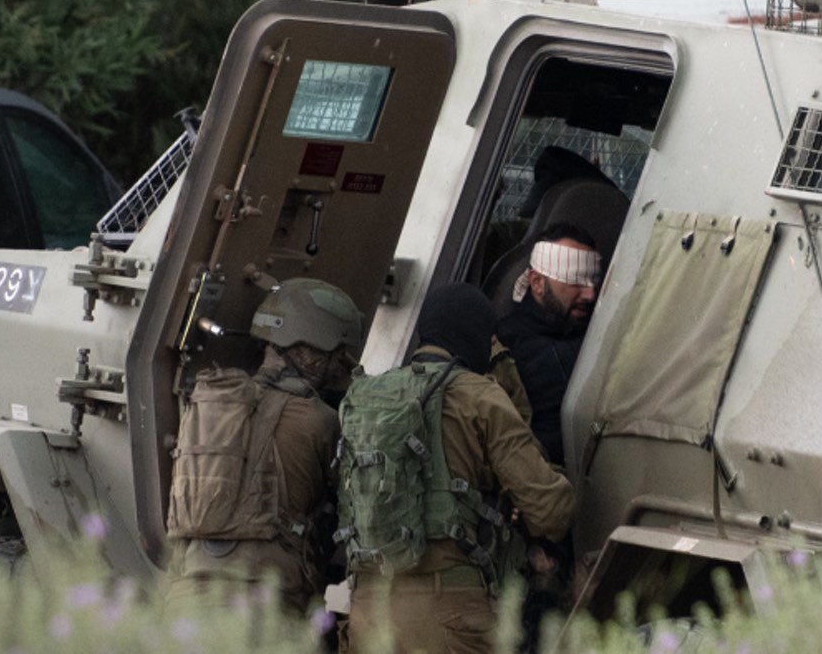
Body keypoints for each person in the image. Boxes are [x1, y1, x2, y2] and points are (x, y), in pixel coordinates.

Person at [344, 283, 575, 654]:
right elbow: (551, 512)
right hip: (450, 609)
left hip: (369, 607)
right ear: (476, 334)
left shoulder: (367, 396)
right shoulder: (482, 397)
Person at [164, 277, 363, 618]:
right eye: (336, 355)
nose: (337, 367)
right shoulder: (319, 420)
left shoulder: (205, 405)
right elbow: (356, 510)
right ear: (308, 346)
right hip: (266, 611)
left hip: (183, 602)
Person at [496, 221, 601, 467]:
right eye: (575, 282)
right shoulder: (510, 345)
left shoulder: (585, 328)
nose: (590, 295)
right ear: (537, 282)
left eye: (592, 282)